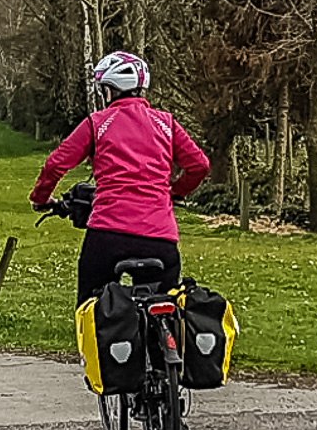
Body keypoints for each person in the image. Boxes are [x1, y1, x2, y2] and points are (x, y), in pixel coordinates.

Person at [30, 51, 211, 306]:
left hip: (108, 233)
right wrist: (174, 192)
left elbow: (56, 164)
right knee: (167, 308)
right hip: (159, 236)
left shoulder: (98, 123)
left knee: (91, 307)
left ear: (110, 90)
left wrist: (41, 198)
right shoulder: (166, 124)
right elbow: (199, 165)